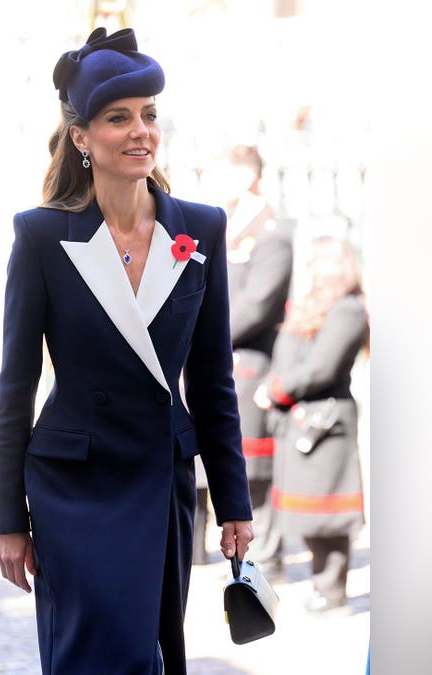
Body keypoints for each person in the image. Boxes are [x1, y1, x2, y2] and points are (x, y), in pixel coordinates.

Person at [0, 27, 255, 675]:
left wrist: (234, 501)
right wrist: (7, 517)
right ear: (81, 137)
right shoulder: (42, 235)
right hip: (71, 488)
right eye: (118, 118)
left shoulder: (201, 229)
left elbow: (213, 381)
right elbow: (15, 386)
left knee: (147, 651)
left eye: (149, 115)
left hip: (157, 479)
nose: (141, 131)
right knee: (94, 654)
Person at [192, 145, 293, 571]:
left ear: (248, 176)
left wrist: (202, 338)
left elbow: (258, 304)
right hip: (212, 359)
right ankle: (197, 549)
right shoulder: (226, 226)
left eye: (223, 175)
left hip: (246, 361)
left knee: (254, 465)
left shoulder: (271, 231)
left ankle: (266, 556)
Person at [255, 235, 369, 614]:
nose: (308, 271)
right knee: (308, 513)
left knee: (329, 515)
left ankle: (331, 590)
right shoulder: (309, 308)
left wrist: (278, 389)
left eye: (315, 263)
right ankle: (323, 586)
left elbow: (322, 367)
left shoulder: (348, 309)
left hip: (325, 422)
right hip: (300, 420)